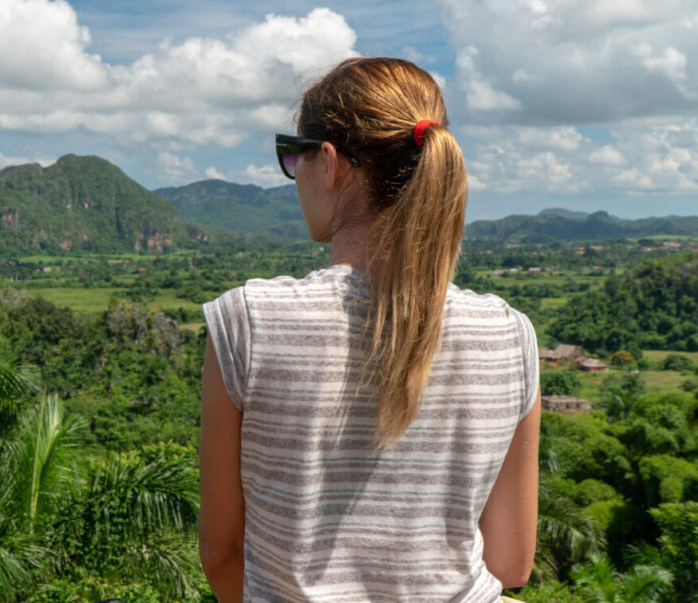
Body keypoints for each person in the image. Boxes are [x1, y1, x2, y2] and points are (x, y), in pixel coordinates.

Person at [198, 57, 540, 602]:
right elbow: (512, 561)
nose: (294, 176)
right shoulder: (510, 335)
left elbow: (222, 552)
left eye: (293, 157)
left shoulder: (249, 323)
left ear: (329, 162)